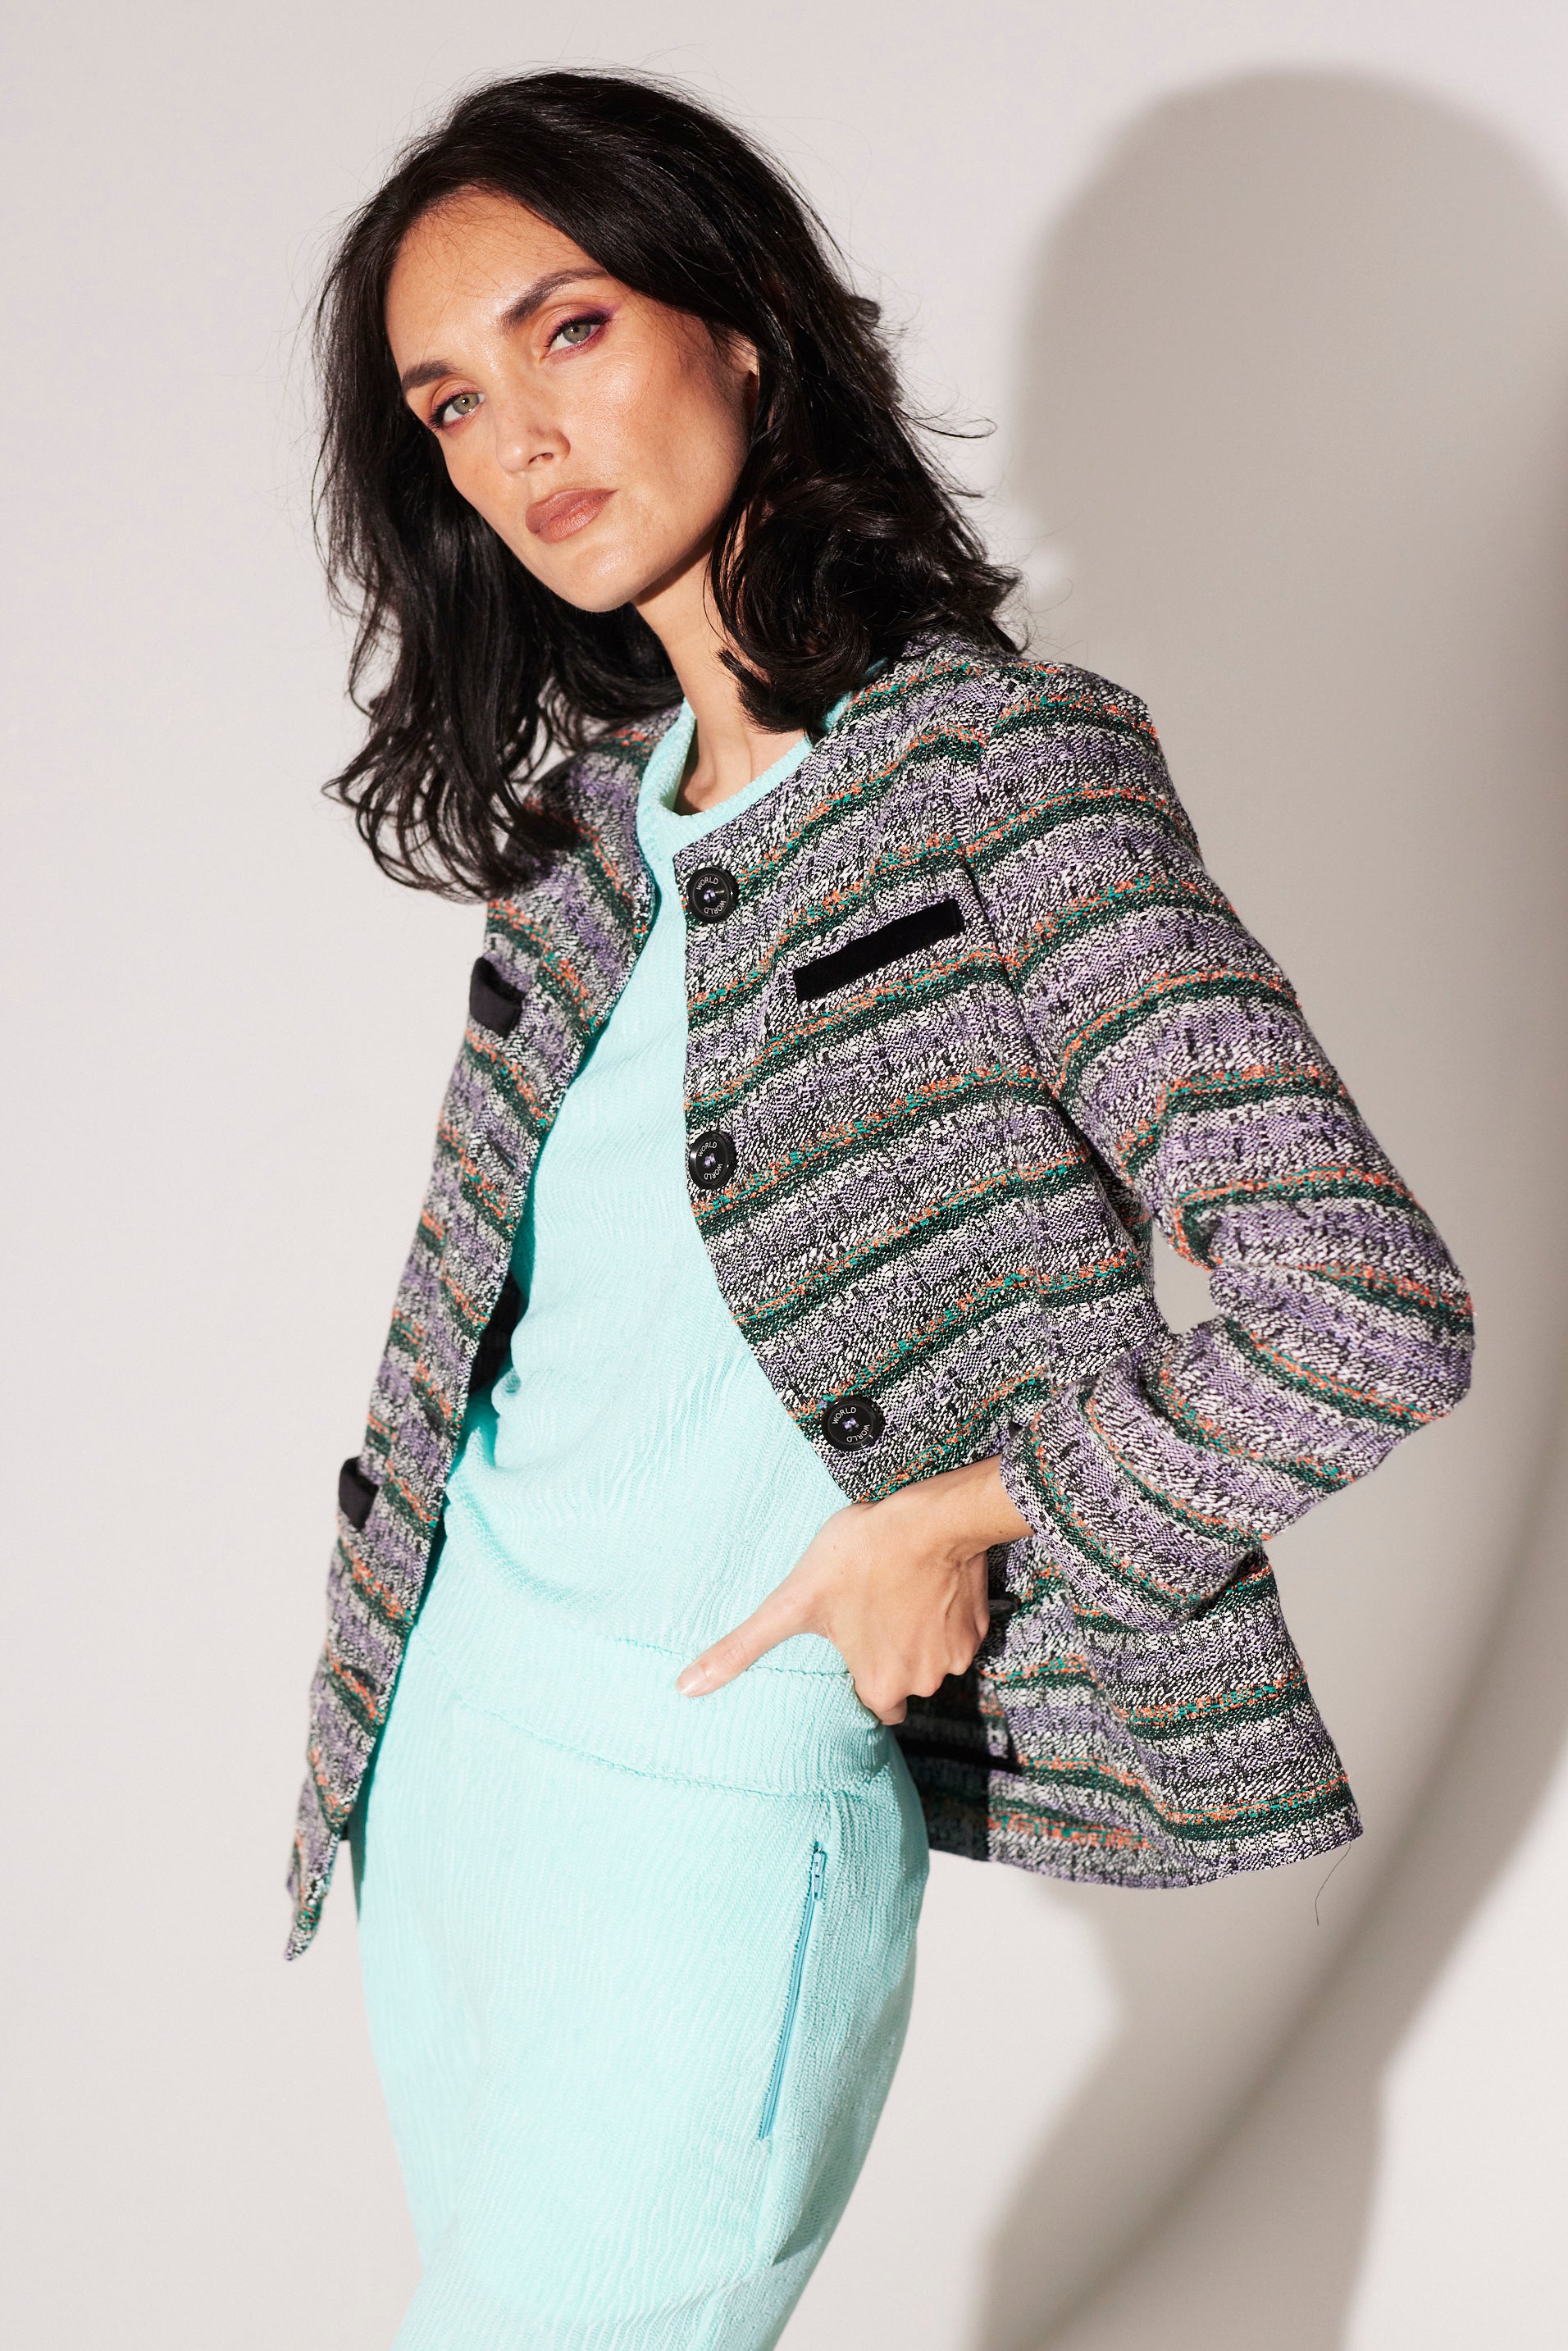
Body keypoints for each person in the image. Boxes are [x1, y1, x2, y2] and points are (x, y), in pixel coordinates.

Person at [285, 67, 1474, 2350]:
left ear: (740, 327)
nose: (518, 438)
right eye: (449, 402)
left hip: (719, 1811)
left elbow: (1360, 1306)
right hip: (446, 1766)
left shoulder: (1000, 770)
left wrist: (977, 1510)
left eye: (568, 329)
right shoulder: (586, 838)